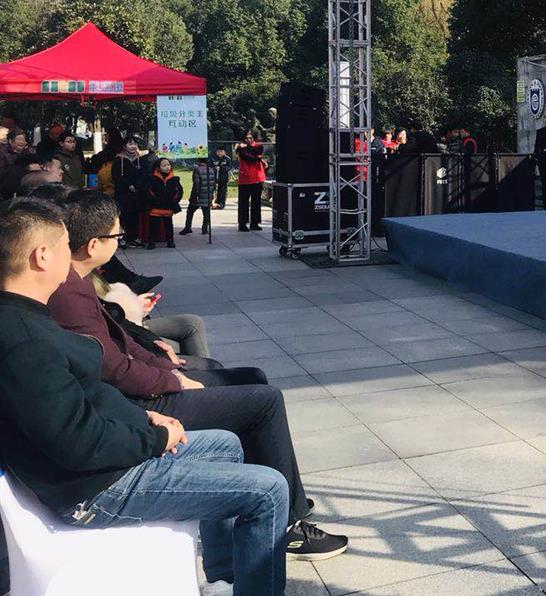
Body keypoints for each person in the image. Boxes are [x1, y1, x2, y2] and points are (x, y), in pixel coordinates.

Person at [0, 198, 292, 596]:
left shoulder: (29, 317)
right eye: (66, 246)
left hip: (104, 460)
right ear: (42, 256)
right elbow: (76, 442)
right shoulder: (25, 341)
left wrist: (145, 419)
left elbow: (83, 401)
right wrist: (153, 438)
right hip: (97, 489)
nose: (72, 258)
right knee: (268, 490)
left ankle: (226, 575)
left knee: (226, 444)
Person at [46, 190, 349, 563]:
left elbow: (122, 341)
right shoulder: (67, 292)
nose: (119, 243)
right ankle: (287, 523)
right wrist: (173, 381)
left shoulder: (76, 282)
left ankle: (281, 494)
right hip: (139, 404)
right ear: (93, 245)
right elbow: (115, 368)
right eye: (117, 237)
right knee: (265, 402)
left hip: (140, 389)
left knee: (249, 377)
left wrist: (167, 367)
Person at [112, 136, 150, 245]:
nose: (133, 146)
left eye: (135, 144)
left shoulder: (141, 160)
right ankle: (125, 238)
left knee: (136, 215)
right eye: (130, 144)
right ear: (124, 146)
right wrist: (128, 185)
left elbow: (145, 174)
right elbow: (117, 176)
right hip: (123, 193)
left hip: (137, 192)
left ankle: (134, 237)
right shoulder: (119, 160)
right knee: (124, 215)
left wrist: (137, 185)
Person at [146, 157, 184, 248]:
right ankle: (151, 242)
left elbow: (179, 191)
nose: (167, 167)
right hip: (155, 206)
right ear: (158, 168)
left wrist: (174, 200)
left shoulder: (174, 179)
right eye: (164, 165)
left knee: (168, 226)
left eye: (168, 165)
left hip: (168, 206)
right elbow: (148, 191)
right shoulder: (152, 178)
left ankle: (170, 241)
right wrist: (153, 199)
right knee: (153, 226)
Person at [235, 132, 266, 231]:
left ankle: (255, 223)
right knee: (243, 202)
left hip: (257, 177)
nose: (249, 140)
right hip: (245, 178)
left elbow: (258, 151)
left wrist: (245, 148)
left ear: (254, 138)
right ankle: (242, 224)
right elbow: (248, 158)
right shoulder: (241, 149)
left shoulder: (258, 146)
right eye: (246, 138)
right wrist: (257, 158)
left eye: (250, 138)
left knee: (256, 202)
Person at [181, 155, 217, 236]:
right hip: (208, 194)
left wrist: (193, 196)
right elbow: (213, 184)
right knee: (206, 213)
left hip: (198, 195)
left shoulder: (197, 170)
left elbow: (196, 184)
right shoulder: (211, 169)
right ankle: (204, 229)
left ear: (198, 160)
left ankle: (188, 227)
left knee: (190, 212)